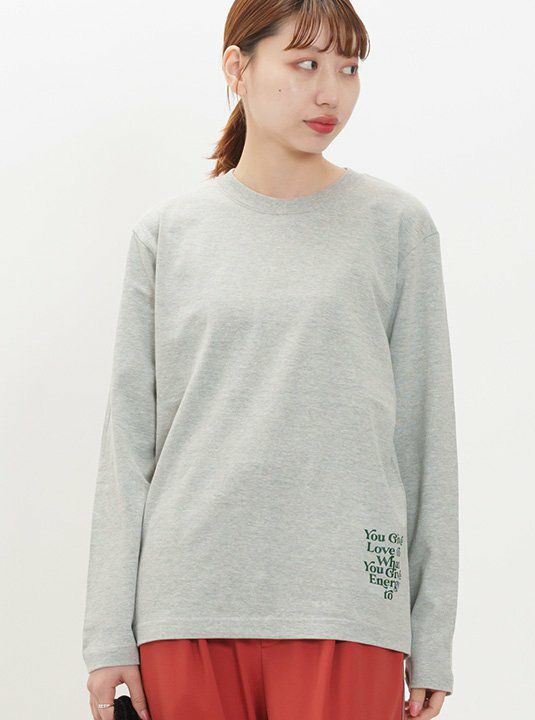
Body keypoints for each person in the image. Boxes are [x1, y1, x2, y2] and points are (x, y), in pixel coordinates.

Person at [82, 1, 459, 719]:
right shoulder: (168, 235)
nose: (330, 92)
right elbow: (127, 448)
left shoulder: (396, 228)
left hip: (347, 603)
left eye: (348, 69)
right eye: (305, 64)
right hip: (186, 605)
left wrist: (432, 634)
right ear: (238, 68)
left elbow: (424, 440)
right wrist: (107, 633)